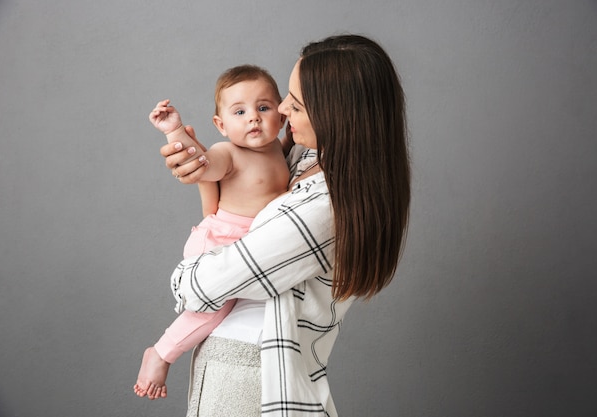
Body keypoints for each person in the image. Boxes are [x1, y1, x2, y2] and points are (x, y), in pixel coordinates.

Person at [159, 34, 410, 417]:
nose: (282, 109)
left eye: (296, 103)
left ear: (335, 115)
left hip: (249, 373)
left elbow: (200, 286)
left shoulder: (325, 204)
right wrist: (199, 168)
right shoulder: (305, 160)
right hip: (243, 364)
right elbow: (234, 173)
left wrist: (184, 272)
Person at [134, 65, 290, 400]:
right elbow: (199, 161)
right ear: (221, 125)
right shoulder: (228, 153)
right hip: (220, 240)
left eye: (264, 108)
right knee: (212, 309)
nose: (254, 119)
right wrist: (175, 132)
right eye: (240, 112)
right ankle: (161, 354)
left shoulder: (282, 147)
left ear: (282, 114)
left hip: (246, 244)